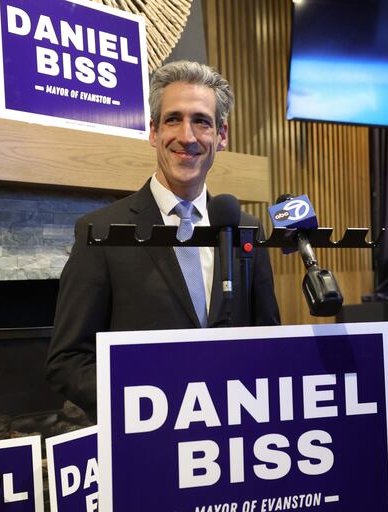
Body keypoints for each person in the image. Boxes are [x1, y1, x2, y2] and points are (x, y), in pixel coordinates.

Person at [46, 60, 281, 421]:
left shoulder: (245, 231)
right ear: (154, 131)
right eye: (173, 119)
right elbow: (68, 361)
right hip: (146, 444)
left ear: (221, 135)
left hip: (234, 438)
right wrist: (145, 411)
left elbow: (268, 341)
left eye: (201, 121)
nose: (187, 136)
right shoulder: (102, 231)